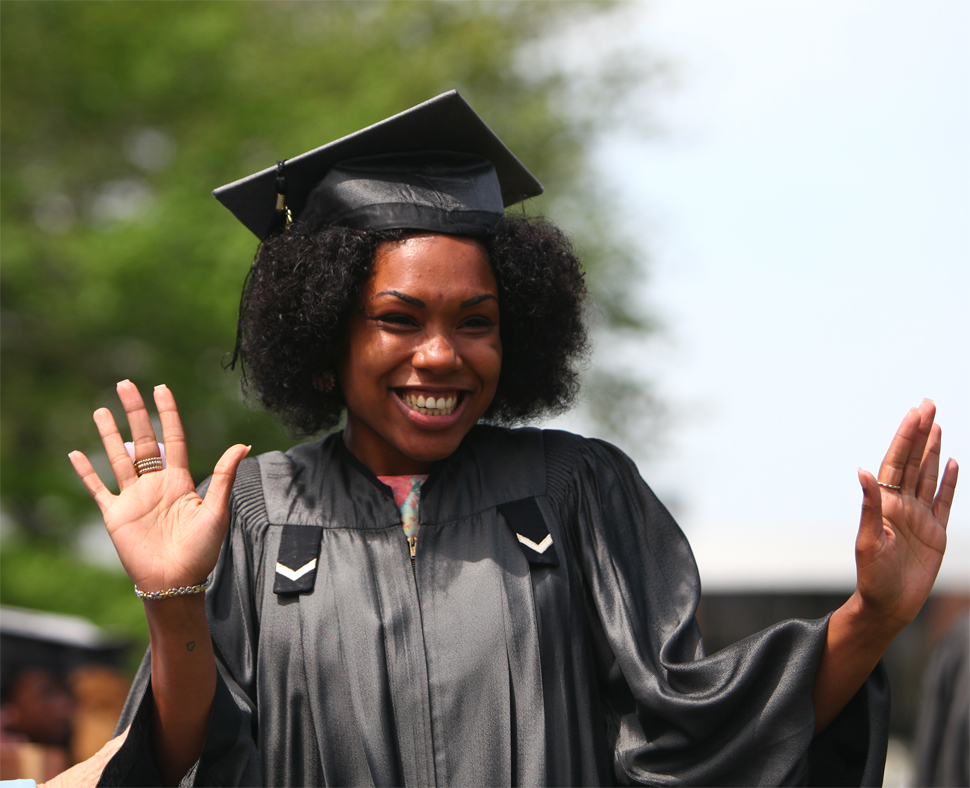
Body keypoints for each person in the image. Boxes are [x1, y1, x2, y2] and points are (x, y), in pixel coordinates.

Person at [66, 92, 958, 787]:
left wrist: (874, 616)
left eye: (477, 321)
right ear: (327, 330)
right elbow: (181, 755)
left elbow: (709, 734)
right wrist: (174, 597)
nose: (441, 356)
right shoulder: (257, 512)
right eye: (398, 319)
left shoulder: (577, 490)